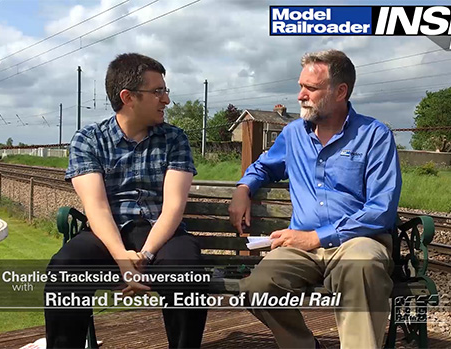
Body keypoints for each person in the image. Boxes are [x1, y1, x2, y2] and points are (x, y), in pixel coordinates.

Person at [229, 49, 401, 349]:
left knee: (362, 267)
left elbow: (381, 210)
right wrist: (243, 189)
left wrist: (317, 237)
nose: (300, 96)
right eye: (300, 87)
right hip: (301, 249)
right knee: (256, 286)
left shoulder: (375, 135)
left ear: (340, 91)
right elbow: (263, 166)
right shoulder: (294, 133)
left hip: (358, 240)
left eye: (310, 88)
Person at [44, 53, 207, 348]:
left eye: (165, 90)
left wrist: (143, 256)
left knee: (187, 269)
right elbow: (97, 207)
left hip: (161, 235)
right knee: (64, 268)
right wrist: (121, 257)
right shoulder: (89, 140)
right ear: (128, 97)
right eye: (158, 91)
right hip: (107, 235)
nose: (166, 100)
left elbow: (173, 207)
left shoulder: (175, 139)